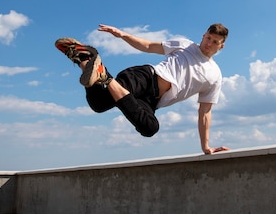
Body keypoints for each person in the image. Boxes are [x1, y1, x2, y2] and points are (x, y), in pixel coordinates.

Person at [55, 22, 229, 154]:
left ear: (221, 46)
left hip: (152, 100)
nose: (209, 43)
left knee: (147, 126)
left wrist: (205, 146)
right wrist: (123, 35)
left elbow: (205, 112)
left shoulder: (215, 75)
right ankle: (101, 73)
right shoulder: (185, 45)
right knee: (99, 104)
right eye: (208, 38)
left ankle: (84, 59)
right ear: (204, 35)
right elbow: (148, 45)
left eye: (215, 42)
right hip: (145, 77)